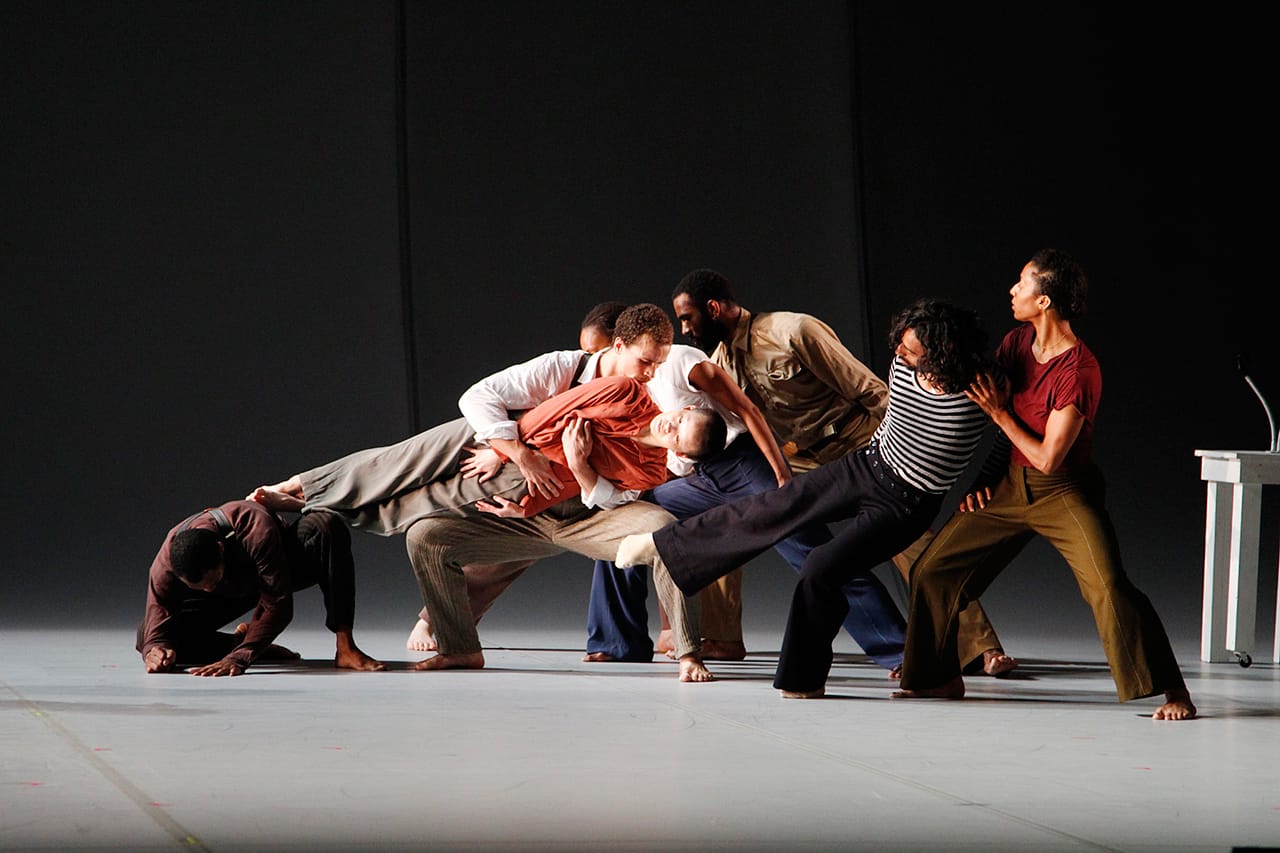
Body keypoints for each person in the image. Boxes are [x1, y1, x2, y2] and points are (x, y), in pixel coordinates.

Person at [599, 270, 1015, 677]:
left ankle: (971, 648)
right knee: (754, 514)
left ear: (712, 308)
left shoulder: (791, 331)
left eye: (688, 318)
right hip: (786, 457)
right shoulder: (721, 358)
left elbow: (867, 388)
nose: (685, 330)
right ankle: (706, 636)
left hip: (857, 444)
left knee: (907, 548)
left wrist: (906, 450)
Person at [892, 250, 1196, 720]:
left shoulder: (1079, 371)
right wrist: (986, 479)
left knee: (1109, 586)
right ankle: (937, 676)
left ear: (1045, 299)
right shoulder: (1017, 343)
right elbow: (984, 399)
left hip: (1063, 492)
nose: (1012, 291)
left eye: (1022, 284)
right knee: (933, 569)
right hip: (1011, 486)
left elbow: (1049, 457)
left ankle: (1175, 692)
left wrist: (999, 414)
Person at [137, 500, 385, 676]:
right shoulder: (166, 561)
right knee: (147, 634)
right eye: (200, 587)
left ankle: (345, 647)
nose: (208, 590)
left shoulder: (252, 525)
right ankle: (245, 641)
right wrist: (156, 648)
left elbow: (279, 605)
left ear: (221, 550)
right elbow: (159, 607)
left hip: (275, 573)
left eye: (211, 582)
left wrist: (241, 658)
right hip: (232, 591)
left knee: (325, 525)